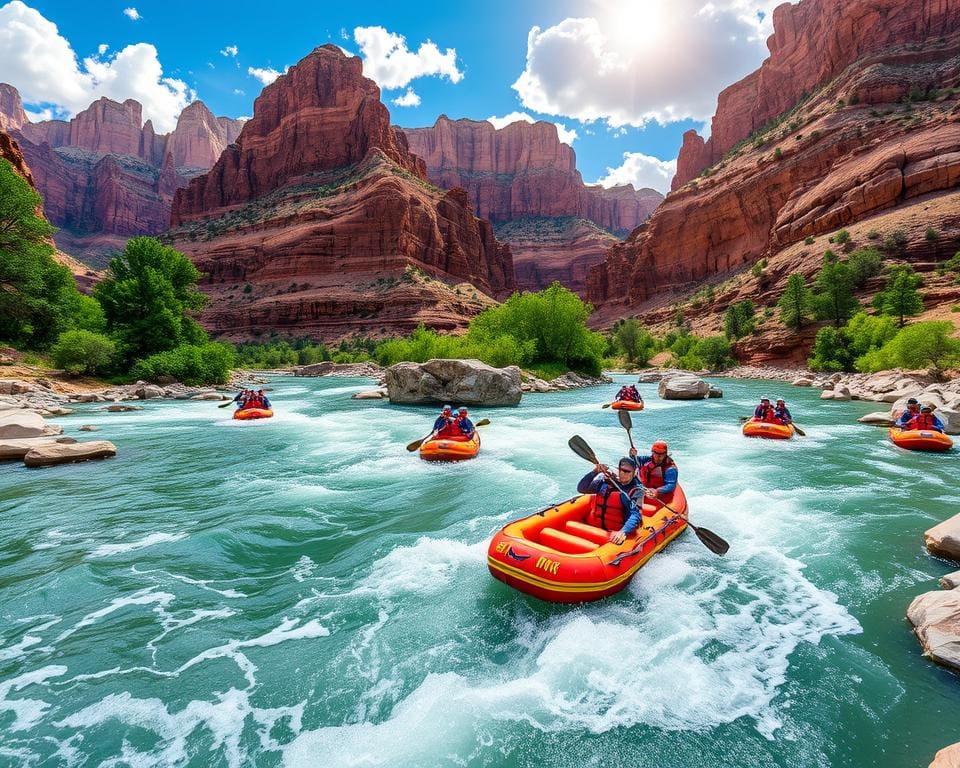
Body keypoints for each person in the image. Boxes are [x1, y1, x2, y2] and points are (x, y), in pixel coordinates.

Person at [577, 455, 644, 544]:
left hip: (616, 531)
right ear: (618, 470)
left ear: (634, 473)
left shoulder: (636, 490)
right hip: (595, 527)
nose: (624, 474)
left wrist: (622, 531)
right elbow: (582, 488)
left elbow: (636, 515)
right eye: (622, 470)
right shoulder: (604, 482)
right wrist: (594, 472)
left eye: (627, 472)